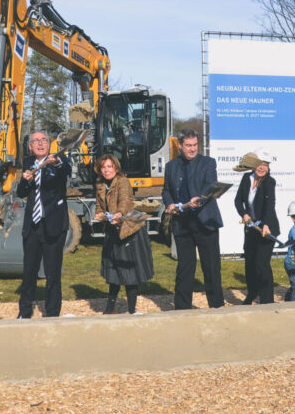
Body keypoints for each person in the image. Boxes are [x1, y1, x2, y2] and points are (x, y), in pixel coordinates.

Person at [162, 128, 225, 310]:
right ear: (180, 145)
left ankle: (216, 306)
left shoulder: (208, 163)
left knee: (211, 267)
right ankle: (182, 308)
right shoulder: (171, 166)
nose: (192, 149)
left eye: (195, 145)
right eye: (188, 145)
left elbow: (210, 186)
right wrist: (170, 203)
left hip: (205, 222)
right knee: (184, 268)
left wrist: (198, 200)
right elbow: (166, 190)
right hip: (182, 223)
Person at [16, 130, 72, 318]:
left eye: (44, 140)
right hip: (32, 226)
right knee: (29, 271)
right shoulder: (27, 164)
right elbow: (21, 193)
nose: (40, 143)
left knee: (52, 272)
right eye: (36, 141)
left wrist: (53, 163)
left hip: (54, 225)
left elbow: (66, 169)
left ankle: (53, 312)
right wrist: (25, 181)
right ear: (30, 146)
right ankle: (24, 311)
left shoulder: (58, 159)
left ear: (49, 144)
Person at [94, 154, 154, 315]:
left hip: (129, 231)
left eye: (109, 166)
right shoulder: (100, 184)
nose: (106, 170)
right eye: (103, 167)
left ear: (116, 168)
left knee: (130, 273)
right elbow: (99, 206)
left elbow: (125, 202)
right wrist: (99, 214)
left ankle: (132, 310)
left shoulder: (123, 182)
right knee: (113, 270)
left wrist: (118, 214)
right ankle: (110, 308)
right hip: (113, 230)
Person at [233, 150, 280, 304]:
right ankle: (253, 293)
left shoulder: (269, 182)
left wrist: (266, 224)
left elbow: (269, 205)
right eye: (260, 164)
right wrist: (244, 214)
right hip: (251, 228)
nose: (262, 168)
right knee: (250, 263)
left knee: (262, 264)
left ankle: (267, 300)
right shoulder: (246, 178)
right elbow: (238, 200)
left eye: (266, 165)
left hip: (267, 228)